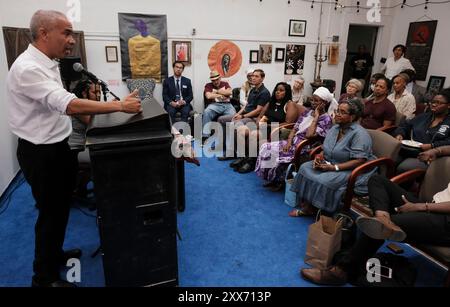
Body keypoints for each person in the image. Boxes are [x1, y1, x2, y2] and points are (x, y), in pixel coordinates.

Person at [6, 10, 142, 287]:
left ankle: (55, 255)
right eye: (66, 33)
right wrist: (119, 105)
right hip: (41, 154)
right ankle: (42, 279)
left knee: (59, 211)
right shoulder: (28, 68)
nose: (71, 40)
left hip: (59, 147)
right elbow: (67, 103)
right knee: (49, 216)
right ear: (44, 33)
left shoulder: (49, 61)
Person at [301, 167, 450, 286]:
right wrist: (436, 151)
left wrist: (421, 207)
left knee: (380, 226)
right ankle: (382, 218)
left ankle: (342, 271)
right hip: (435, 205)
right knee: (377, 180)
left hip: (444, 219)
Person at [289, 98, 377, 216]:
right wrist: (319, 157)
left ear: (353, 116)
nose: (337, 115)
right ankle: (308, 205)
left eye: (342, 112)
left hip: (349, 169)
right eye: (337, 111)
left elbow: (359, 160)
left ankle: (318, 208)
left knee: (323, 179)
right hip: (330, 162)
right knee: (305, 168)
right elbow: (326, 149)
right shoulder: (335, 128)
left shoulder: (360, 134)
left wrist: (334, 168)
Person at [255, 88, 333, 190]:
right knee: (266, 147)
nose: (313, 103)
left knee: (280, 156)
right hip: (293, 142)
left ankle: (280, 182)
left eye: (316, 101)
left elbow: (309, 135)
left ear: (324, 103)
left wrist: (316, 117)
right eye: (312, 100)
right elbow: (295, 128)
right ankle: (271, 178)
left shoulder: (326, 119)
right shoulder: (307, 112)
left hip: (305, 146)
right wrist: (289, 141)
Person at [217, 69, 270, 163]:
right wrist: (238, 113)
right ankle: (225, 145)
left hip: (254, 118)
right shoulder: (253, 89)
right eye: (252, 76)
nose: (253, 78)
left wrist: (242, 117)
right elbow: (247, 105)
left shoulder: (264, 92)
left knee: (235, 123)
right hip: (246, 115)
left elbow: (258, 110)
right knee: (221, 119)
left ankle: (233, 152)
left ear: (262, 78)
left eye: (256, 76)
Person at [394, 88, 450, 173]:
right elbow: (405, 125)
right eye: (433, 102)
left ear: (448, 105)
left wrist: (432, 145)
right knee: (389, 159)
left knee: (403, 167)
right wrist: (400, 134)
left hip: (429, 156)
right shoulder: (424, 116)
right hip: (409, 150)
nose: (434, 105)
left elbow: (448, 142)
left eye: (439, 103)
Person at [202, 70, 235, 139]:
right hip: (215, 105)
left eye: (217, 79)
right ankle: (205, 136)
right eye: (213, 80)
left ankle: (231, 137)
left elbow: (230, 92)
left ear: (220, 78)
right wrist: (221, 94)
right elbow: (208, 96)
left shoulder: (225, 84)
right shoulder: (208, 85)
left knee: (234, 115)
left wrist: (216, 91)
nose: (216, 82)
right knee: (206, 112)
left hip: (227, 105)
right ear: (211, 80)